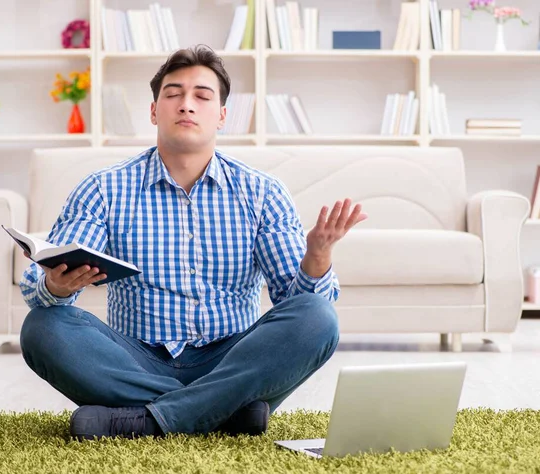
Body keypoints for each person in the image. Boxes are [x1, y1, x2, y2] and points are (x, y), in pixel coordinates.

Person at [19, 44, 368, 441]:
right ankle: (225, 412)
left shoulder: (262, 193)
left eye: (202, 96)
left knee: (318, 318)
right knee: (42, 327)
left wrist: (317, 257)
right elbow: (39, 287)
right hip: (136, 361)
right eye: (173, 94)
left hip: (233, 360)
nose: (186, 105)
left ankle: (149, 421)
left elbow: (296, 305)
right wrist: (54, 286)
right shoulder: (103, 189)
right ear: (154, 111)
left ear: (221, 116)